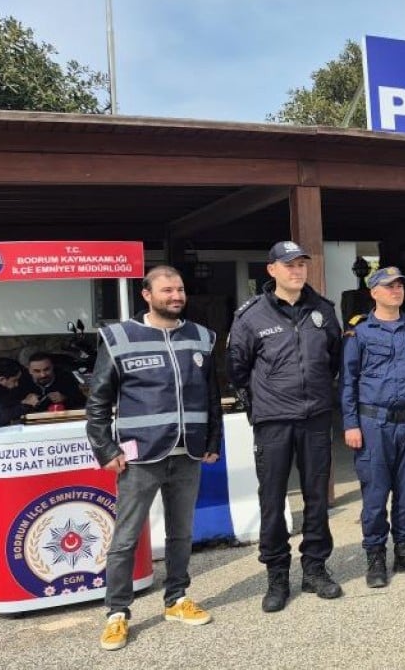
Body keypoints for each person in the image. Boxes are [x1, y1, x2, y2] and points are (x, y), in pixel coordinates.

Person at [84, 266, 222, 651]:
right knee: (126, 538)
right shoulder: (118, 337)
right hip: (139, 457)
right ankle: (116, 614)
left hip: (189, 453)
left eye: (179, 289)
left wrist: (213, 439)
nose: (176, 296)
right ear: (147, 294)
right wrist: (105, 449)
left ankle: (176, 599)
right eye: (167, 290)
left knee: (182, 533)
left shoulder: (203, 337)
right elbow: (97, 402)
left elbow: (211, 395)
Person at [228, 241, 344, 613]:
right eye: (289, 265)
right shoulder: (250, 316)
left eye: (301, 265)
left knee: (316, 498)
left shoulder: (323, 311)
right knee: (272, 500)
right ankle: (277, 575)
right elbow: (237, 370)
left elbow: (334, 361)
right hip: (274, 422)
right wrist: (259, 408)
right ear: (272, 270)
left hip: (315, 419)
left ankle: (315, 569)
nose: (297, 271)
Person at [340, 266, 405, 587]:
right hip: (374, 423)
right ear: (374, 292)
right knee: (375, 494)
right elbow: (348, 381)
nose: (396, 290)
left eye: (400, 285)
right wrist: (350, 423)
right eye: (389, 286)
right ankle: (375, 557)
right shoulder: (359, 332)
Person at [19, 351, 86, 411]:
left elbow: (82, 401)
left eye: (46, 369)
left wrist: (65, 399)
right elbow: (11, 409)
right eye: (37, 371)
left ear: (52, 367)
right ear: (29, 370)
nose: (43, 375)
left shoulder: (66, 378)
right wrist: (24, 403)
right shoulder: (21, 382)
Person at [341, 256, 374, 323]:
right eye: (360, 269)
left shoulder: (373, 295)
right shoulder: (349, 296)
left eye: (363, 269)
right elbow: (349, 321)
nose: (361, 271)